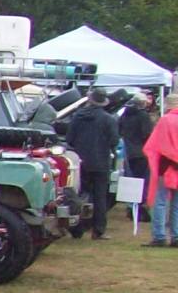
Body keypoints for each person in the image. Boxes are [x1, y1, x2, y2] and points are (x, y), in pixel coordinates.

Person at [65, 89, 121, 238]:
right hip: (101, 161)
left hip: (80, 161)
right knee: (100, 197)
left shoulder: (78, 117)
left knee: (78, 194)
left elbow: (69, 139)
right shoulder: (108, 119)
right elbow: (114, 141)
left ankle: (76, 228)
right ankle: (98, 230)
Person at [144, 96, 178, 247]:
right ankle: (176, 236)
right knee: (176, 204)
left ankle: (159, 236)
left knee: (160, 202)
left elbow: (157, 145)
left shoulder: (165, 120)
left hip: (166, 167)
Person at [119, 92, 155, 220]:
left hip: (128, 151)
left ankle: (131, 207)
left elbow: (119, 130)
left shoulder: (124, 114)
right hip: (141, 152)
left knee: (130, 179)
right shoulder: (143, 115)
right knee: (142, 181)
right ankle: (140, 209)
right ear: (142, 103)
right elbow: (147, 134)